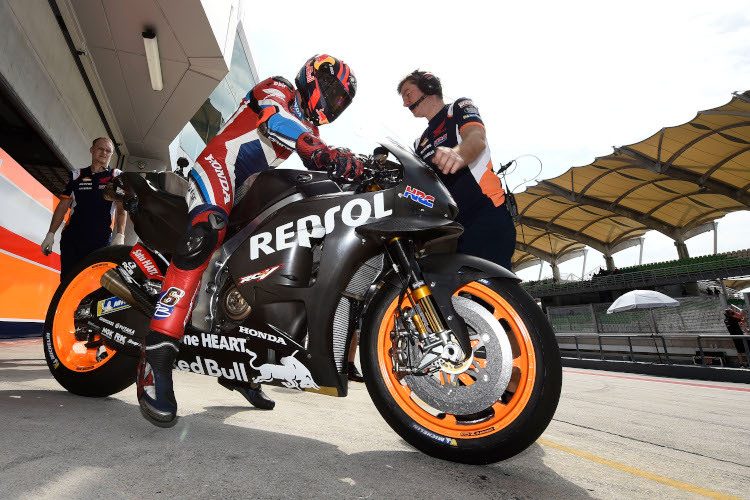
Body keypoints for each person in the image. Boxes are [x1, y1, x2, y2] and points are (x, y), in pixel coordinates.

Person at [137, 54, 363, 427]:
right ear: (312, 76)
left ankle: (241, 366)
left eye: (341, 101)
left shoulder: (310, 131)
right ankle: (157, 353)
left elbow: (317, 160)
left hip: (247, 190)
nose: (333, 103)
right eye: (333, 93)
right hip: (218, 167)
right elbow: (275, 121)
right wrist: (320, 150)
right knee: (207, 230)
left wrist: (353, 165)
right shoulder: (278, 88)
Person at [397, 70, 515, 269]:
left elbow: (476, 138)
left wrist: (459, 153)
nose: (405, 103)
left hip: (486, 214)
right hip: (452, 229)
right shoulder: (419, 142)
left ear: (429, 86)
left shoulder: (459, 108)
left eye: (408, 94)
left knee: (493, 293)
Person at [41, 137, 127, 278]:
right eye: (100, 149)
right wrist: (50, 234)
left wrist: (120, 235)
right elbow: (62, 207)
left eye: (108, 151)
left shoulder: (116, 177)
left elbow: (121, 210)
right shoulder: (76, 175)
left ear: (111, 154)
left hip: (100, 241)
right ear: (92, 150)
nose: (104, 153)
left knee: (92, 284)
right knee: (68, 281)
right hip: (72, 238)